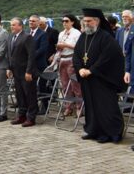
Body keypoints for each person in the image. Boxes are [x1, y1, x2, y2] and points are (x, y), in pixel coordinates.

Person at [73, 8, 126, 143]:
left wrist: (91, 70)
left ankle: (112, 133)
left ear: (97, 21)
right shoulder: (83, 36)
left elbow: (108, 57)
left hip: (102, 79)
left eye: (88, 21)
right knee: (91, 106)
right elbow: (77, 56)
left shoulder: (106, 37)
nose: (85, 23)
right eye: (84, 21)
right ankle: (93, 130)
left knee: (106, 107)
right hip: (87, 79)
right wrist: (80, 69)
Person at [7, 18, 38, 127]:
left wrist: (29, 71)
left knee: (29, 95)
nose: (12, 27)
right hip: (16, 71)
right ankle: (22, 115)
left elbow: (31, 56)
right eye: (11, 25)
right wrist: (9, 68)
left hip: (26, 72)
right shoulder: (11, 37)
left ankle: (31, 118)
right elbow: (10, 54)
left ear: (20, 26)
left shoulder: (27, 37)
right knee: (19, 95)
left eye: (14, 25)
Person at [49, 14, 82, 116]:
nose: (64, 23)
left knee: (75, 85)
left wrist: (66, 45)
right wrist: (58, 49)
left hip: (72, 59)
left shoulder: (77, 33)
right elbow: (59, 46)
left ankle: (80, 107)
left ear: (72, 22)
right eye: (63, 21)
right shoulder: (61, 33)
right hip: (62, 59)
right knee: (64, 85)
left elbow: (79, 48)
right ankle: (68, 106)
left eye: (66, 21)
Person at [28, 15, 49, 113]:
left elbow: (42, 49)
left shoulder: (42, 34)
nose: (31, 22)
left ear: (38, 22)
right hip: (29, 65)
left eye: (33, 21)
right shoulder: (27, 33)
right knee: (31, 87)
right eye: (30, 21)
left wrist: (30, 56)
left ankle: (45, 107)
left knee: (41, 86)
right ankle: (33, 106)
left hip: (39, 64)